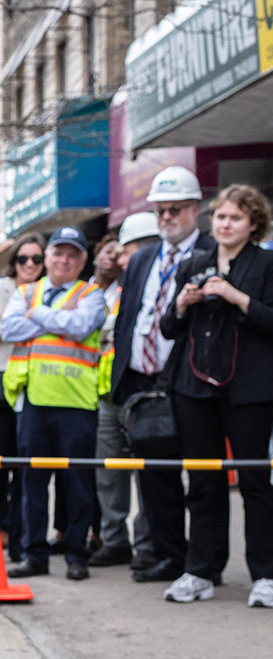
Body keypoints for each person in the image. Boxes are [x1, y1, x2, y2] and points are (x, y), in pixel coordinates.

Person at [157, 184, 273, 607]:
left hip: (249, 389)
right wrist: (182, 304)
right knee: (203, 482)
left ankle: (266, 574)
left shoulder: (266, 264)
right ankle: (202, 570)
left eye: (235, 218)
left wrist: (236, 297)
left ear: (253, 223)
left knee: (255, 482)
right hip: (195, 386)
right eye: (221, 217)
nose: (225, 224)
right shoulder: (194, 263)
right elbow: (169, 328)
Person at [108, 166, 211, 584]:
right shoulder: (143, 259)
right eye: (160, 211)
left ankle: (205, 562)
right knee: (155, 477)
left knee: (202, 477)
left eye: (175, 210)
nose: (166, 217)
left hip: (189, 379)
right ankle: (169, 555)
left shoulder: (210, 253)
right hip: (142, 381)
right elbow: (129, 317)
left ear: (195, 209)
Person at [1, 227, 108, 581]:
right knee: (32, 484)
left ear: (83, 260)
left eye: (72, 255)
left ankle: (77, 554)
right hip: (34, 401)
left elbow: (80, 327)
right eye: (58, 253)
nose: (64, 260)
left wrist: (37, 315)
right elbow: (9, 329)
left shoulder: (91, 293)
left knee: (78, 484)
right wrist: (56, 317)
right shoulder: (26, 291)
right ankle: (34, 555)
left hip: (77, 402)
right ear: (47, 257)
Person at [0, 234, 46, 561]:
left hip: (36, 385)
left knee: (28, 471)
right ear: (13, 261)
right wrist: (15, 314)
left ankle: (23, 542)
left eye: (36, 259)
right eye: (23, 258)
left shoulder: (49, 291)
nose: (29, 264)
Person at [90, 220, 154, 567]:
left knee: (147, 471)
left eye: (128, 251)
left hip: (144, 391)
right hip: (108, 394)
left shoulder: (154, 284)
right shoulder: (110, 290)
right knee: (109, 472)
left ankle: (147, 543)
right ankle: (114, 539)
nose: (123, 259)